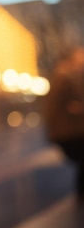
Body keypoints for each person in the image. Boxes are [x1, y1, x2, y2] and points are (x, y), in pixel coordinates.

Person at [43, 46, 84, 202]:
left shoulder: (63, 76)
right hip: (71, 133)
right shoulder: (65, 76)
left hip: (69, 132)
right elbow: (69, 106)